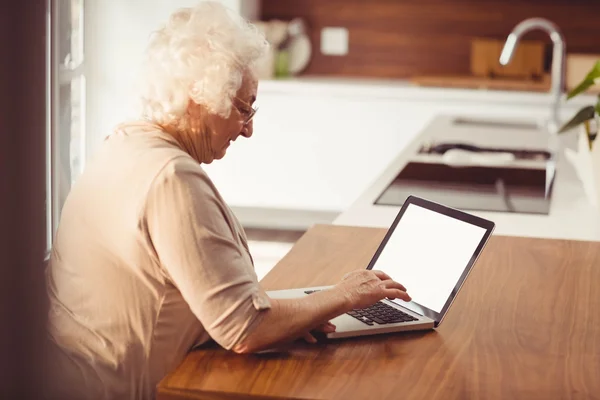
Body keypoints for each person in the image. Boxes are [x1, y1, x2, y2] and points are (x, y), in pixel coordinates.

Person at [44, 2, 410, 399]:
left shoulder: (122, 143)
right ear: (199, 99)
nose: (248, 129)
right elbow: (243, 330)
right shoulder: (172, 178)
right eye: (242, 109)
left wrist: (301, 311)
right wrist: (344, 296)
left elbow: (203, 295)